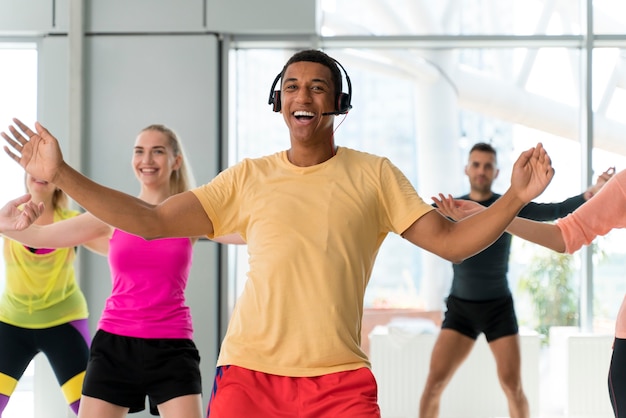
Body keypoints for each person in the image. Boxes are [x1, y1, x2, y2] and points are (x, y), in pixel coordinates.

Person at [2, 49, 555, 418]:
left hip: (340, 381)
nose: (304, 96)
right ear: (279, 102)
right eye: (292, 87)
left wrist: (514, 199)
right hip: (249, 375)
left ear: (338, 104)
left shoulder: (377, 175)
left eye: (318, 88)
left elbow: (451, 241)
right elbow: (150, 221)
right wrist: (63, 175)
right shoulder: (247, 178)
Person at [1, 124, 242, 418]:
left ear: (176, 161)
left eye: (158, 151)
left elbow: (248, 232)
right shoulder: (114, 213)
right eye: (139, 151)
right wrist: (4, 225)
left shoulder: (187, 216)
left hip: (172, 344)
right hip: (114, 345)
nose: (147, 160)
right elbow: (43, 237)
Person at [418, 142, 614, 418]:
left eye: (488, 165)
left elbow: (555, 210)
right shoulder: (453, 207)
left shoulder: (507, 206)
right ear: (467, 169)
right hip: (460, 308)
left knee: (513, 388)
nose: (481, 170)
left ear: (497, 172)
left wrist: (594, 192)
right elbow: (412, 217)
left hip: (498, 308)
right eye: (476, 164)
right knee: (433, 385)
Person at [0, 175, 89, 417]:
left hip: (64, 323)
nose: (40, 176)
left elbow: (115, 238)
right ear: (26, 176)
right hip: (12, 323)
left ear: (59, 180)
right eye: (34, 170)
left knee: (90, 408)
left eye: (46, 172)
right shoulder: (6, 218)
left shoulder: (73, 222)